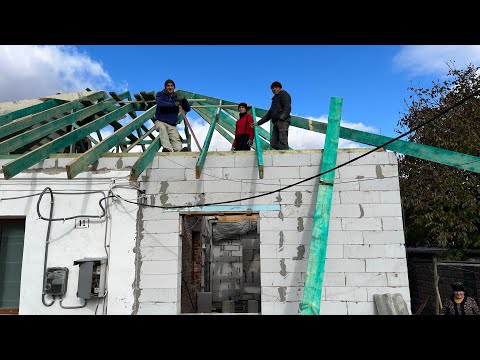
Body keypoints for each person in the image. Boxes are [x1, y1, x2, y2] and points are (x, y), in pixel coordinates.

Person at [252, 81, 291, 150]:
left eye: (276, 87)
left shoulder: (284, 94)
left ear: (280, 88)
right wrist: (258, 123)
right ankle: (283, 151)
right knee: (273, 144)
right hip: (276, 123)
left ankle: (285, 156)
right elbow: (268, 115)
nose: (274, 89)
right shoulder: (274, 99)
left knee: (283, 141)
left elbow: (287, 108)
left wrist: (281, 119)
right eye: (272, 88)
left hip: (282, 122)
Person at [154, 79, 191, 152]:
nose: (170, 87)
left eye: (172, 86)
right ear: (165, 87)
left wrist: (184, 100)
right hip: (160, 121)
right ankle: (167, 149)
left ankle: (179, 150)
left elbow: (187, 109)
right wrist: (173, 104)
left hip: (171, 124)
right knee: (162, 129)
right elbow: (160, 103)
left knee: (175, 138)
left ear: (174, 87)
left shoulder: (176, 97)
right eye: (168, 86)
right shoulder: (160, 95)